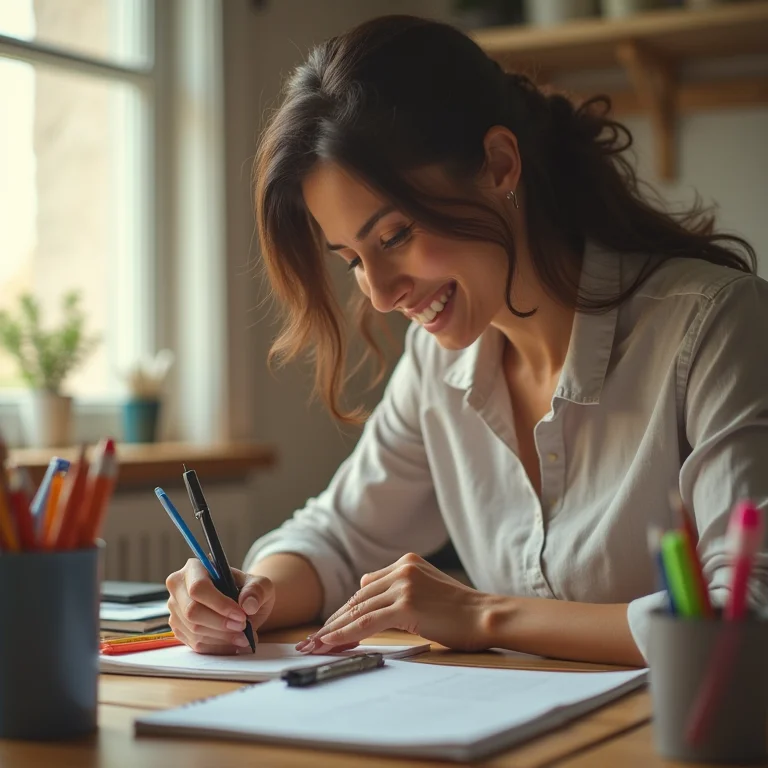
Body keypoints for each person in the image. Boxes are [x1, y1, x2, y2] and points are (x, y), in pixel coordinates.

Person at [165, 15, 768, 665]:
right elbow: (337, 536)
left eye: (394, 237)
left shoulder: (712, 326)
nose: (380, 293)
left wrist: (483, 614)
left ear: (499, 165)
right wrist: (248, 597)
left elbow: (748, 611)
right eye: (353, 260)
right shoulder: (439, 364)